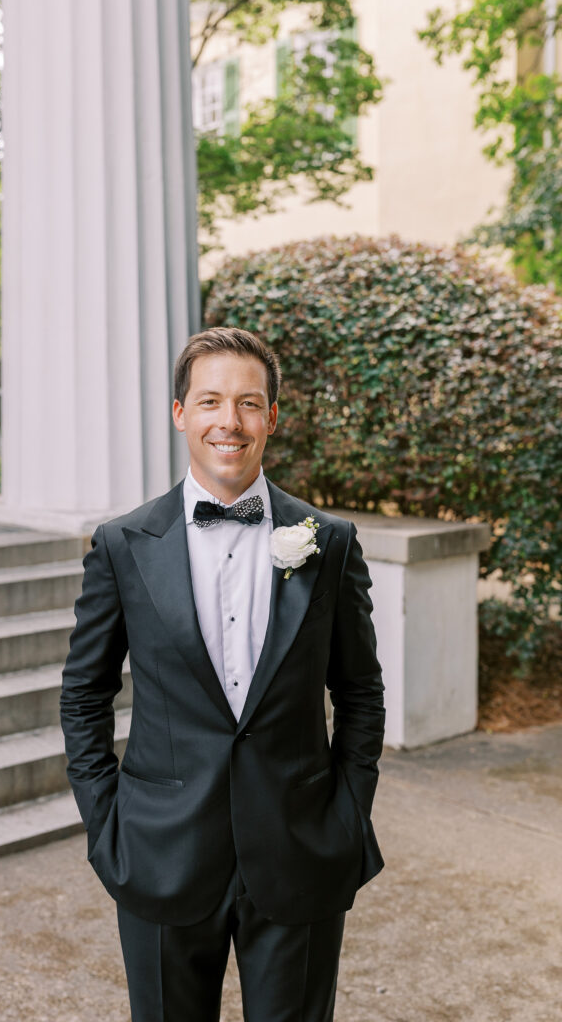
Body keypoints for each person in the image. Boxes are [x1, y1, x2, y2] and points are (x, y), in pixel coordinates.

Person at [60, 326, 385, 1021]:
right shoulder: (122, 545)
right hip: (158, 853)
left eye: (247, 403)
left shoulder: (328, 542)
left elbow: (358, 691)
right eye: (209, 401)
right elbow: (84, 693)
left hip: (300, 850)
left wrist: (348, 814)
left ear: (271, 417)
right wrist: (106, 824)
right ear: (180, 413)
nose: (227, 422)